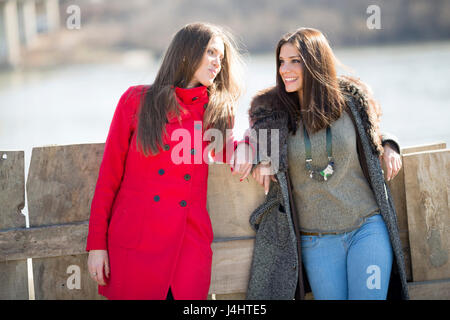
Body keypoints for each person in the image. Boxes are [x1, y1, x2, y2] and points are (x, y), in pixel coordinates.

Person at [86, 22, 253, 300]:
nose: (217, 63)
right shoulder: (136, 101)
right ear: (187, 52)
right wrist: (97, 246)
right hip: (135, 243)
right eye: (211, 53)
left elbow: (230, 151)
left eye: (221, 58)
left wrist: (248, 146)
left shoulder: (215, 112)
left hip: (189, 246)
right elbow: (108, 180)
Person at [245, 27, 409, 300]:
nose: (285, 69)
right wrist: (260, 157)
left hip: (366, 229)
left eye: (294, 61)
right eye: (281, 62)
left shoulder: (352, 102)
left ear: (315, 61)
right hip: (316, 241)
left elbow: (374, 132)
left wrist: (390, 145)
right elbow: (245, 139)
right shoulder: (273, 116)